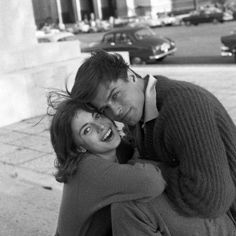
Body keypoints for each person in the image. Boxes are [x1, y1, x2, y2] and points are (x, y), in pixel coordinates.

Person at [70, 50, 236, 235]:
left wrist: (149, 169)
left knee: (129, 207)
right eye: (105, 109)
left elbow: (211, 200)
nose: (115, 111)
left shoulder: (183, 105)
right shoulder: (140, 110)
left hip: (226, 213)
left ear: (131, 76)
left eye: (115, 95)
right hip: (203, 210)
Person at [48, 90, 166, 236]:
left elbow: (134, 147)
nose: (101, 126)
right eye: (87, 130)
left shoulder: (115, 150)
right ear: (79, 147)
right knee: (132, 206)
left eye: (97, 116)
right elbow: (152, 183)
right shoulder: (88, 168)